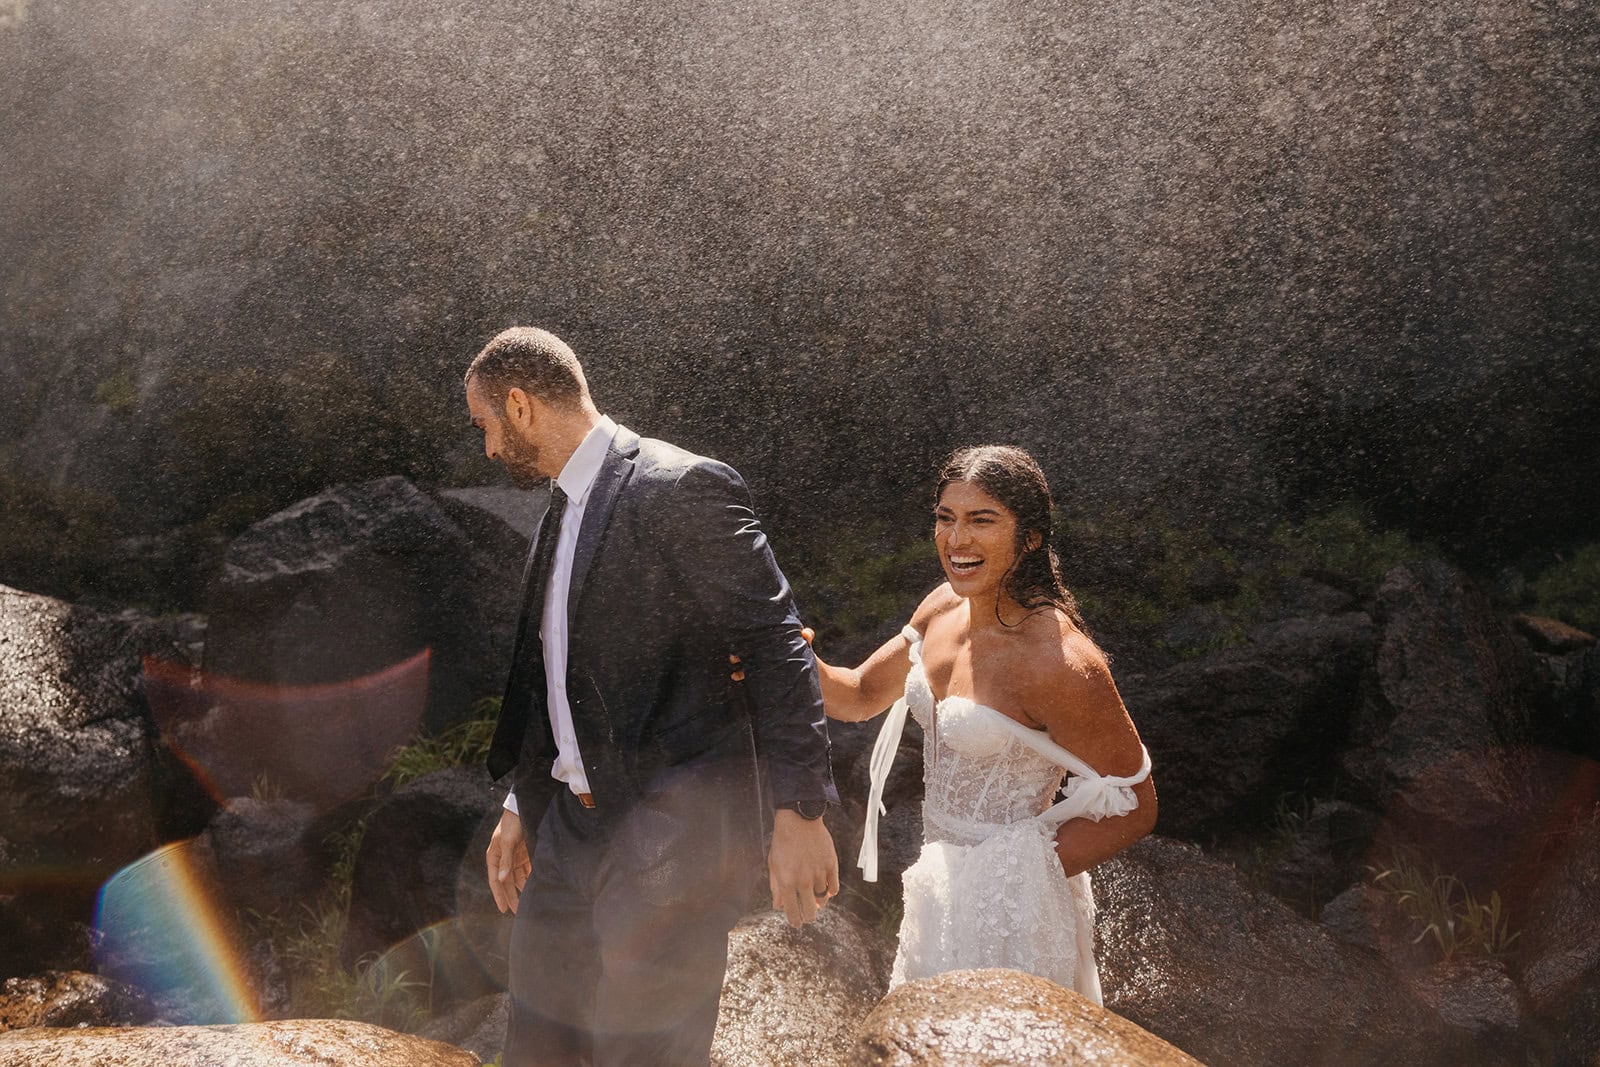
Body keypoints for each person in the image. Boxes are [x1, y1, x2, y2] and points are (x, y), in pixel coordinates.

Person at [466, 327, 839, 1066]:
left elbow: (774, 643)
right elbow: (558, 669)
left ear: (519, 405)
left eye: (484, 426)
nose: (486, 449)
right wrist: (520, 800)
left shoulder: (682, 485)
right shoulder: (562, 503)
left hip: (672, 836)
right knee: (538, 1051)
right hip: (569, 831)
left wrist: (801, 811)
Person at [808, 445, 1155, 1003]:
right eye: (945, 519)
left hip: (1013, 901)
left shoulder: (1058, 659)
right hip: (936, 881)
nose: (956, 540)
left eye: (981, 521)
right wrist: (780, 652)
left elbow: (1136, 803)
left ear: (1032, 537)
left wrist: (1015, 878)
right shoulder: (942, 606)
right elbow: (859, 695)